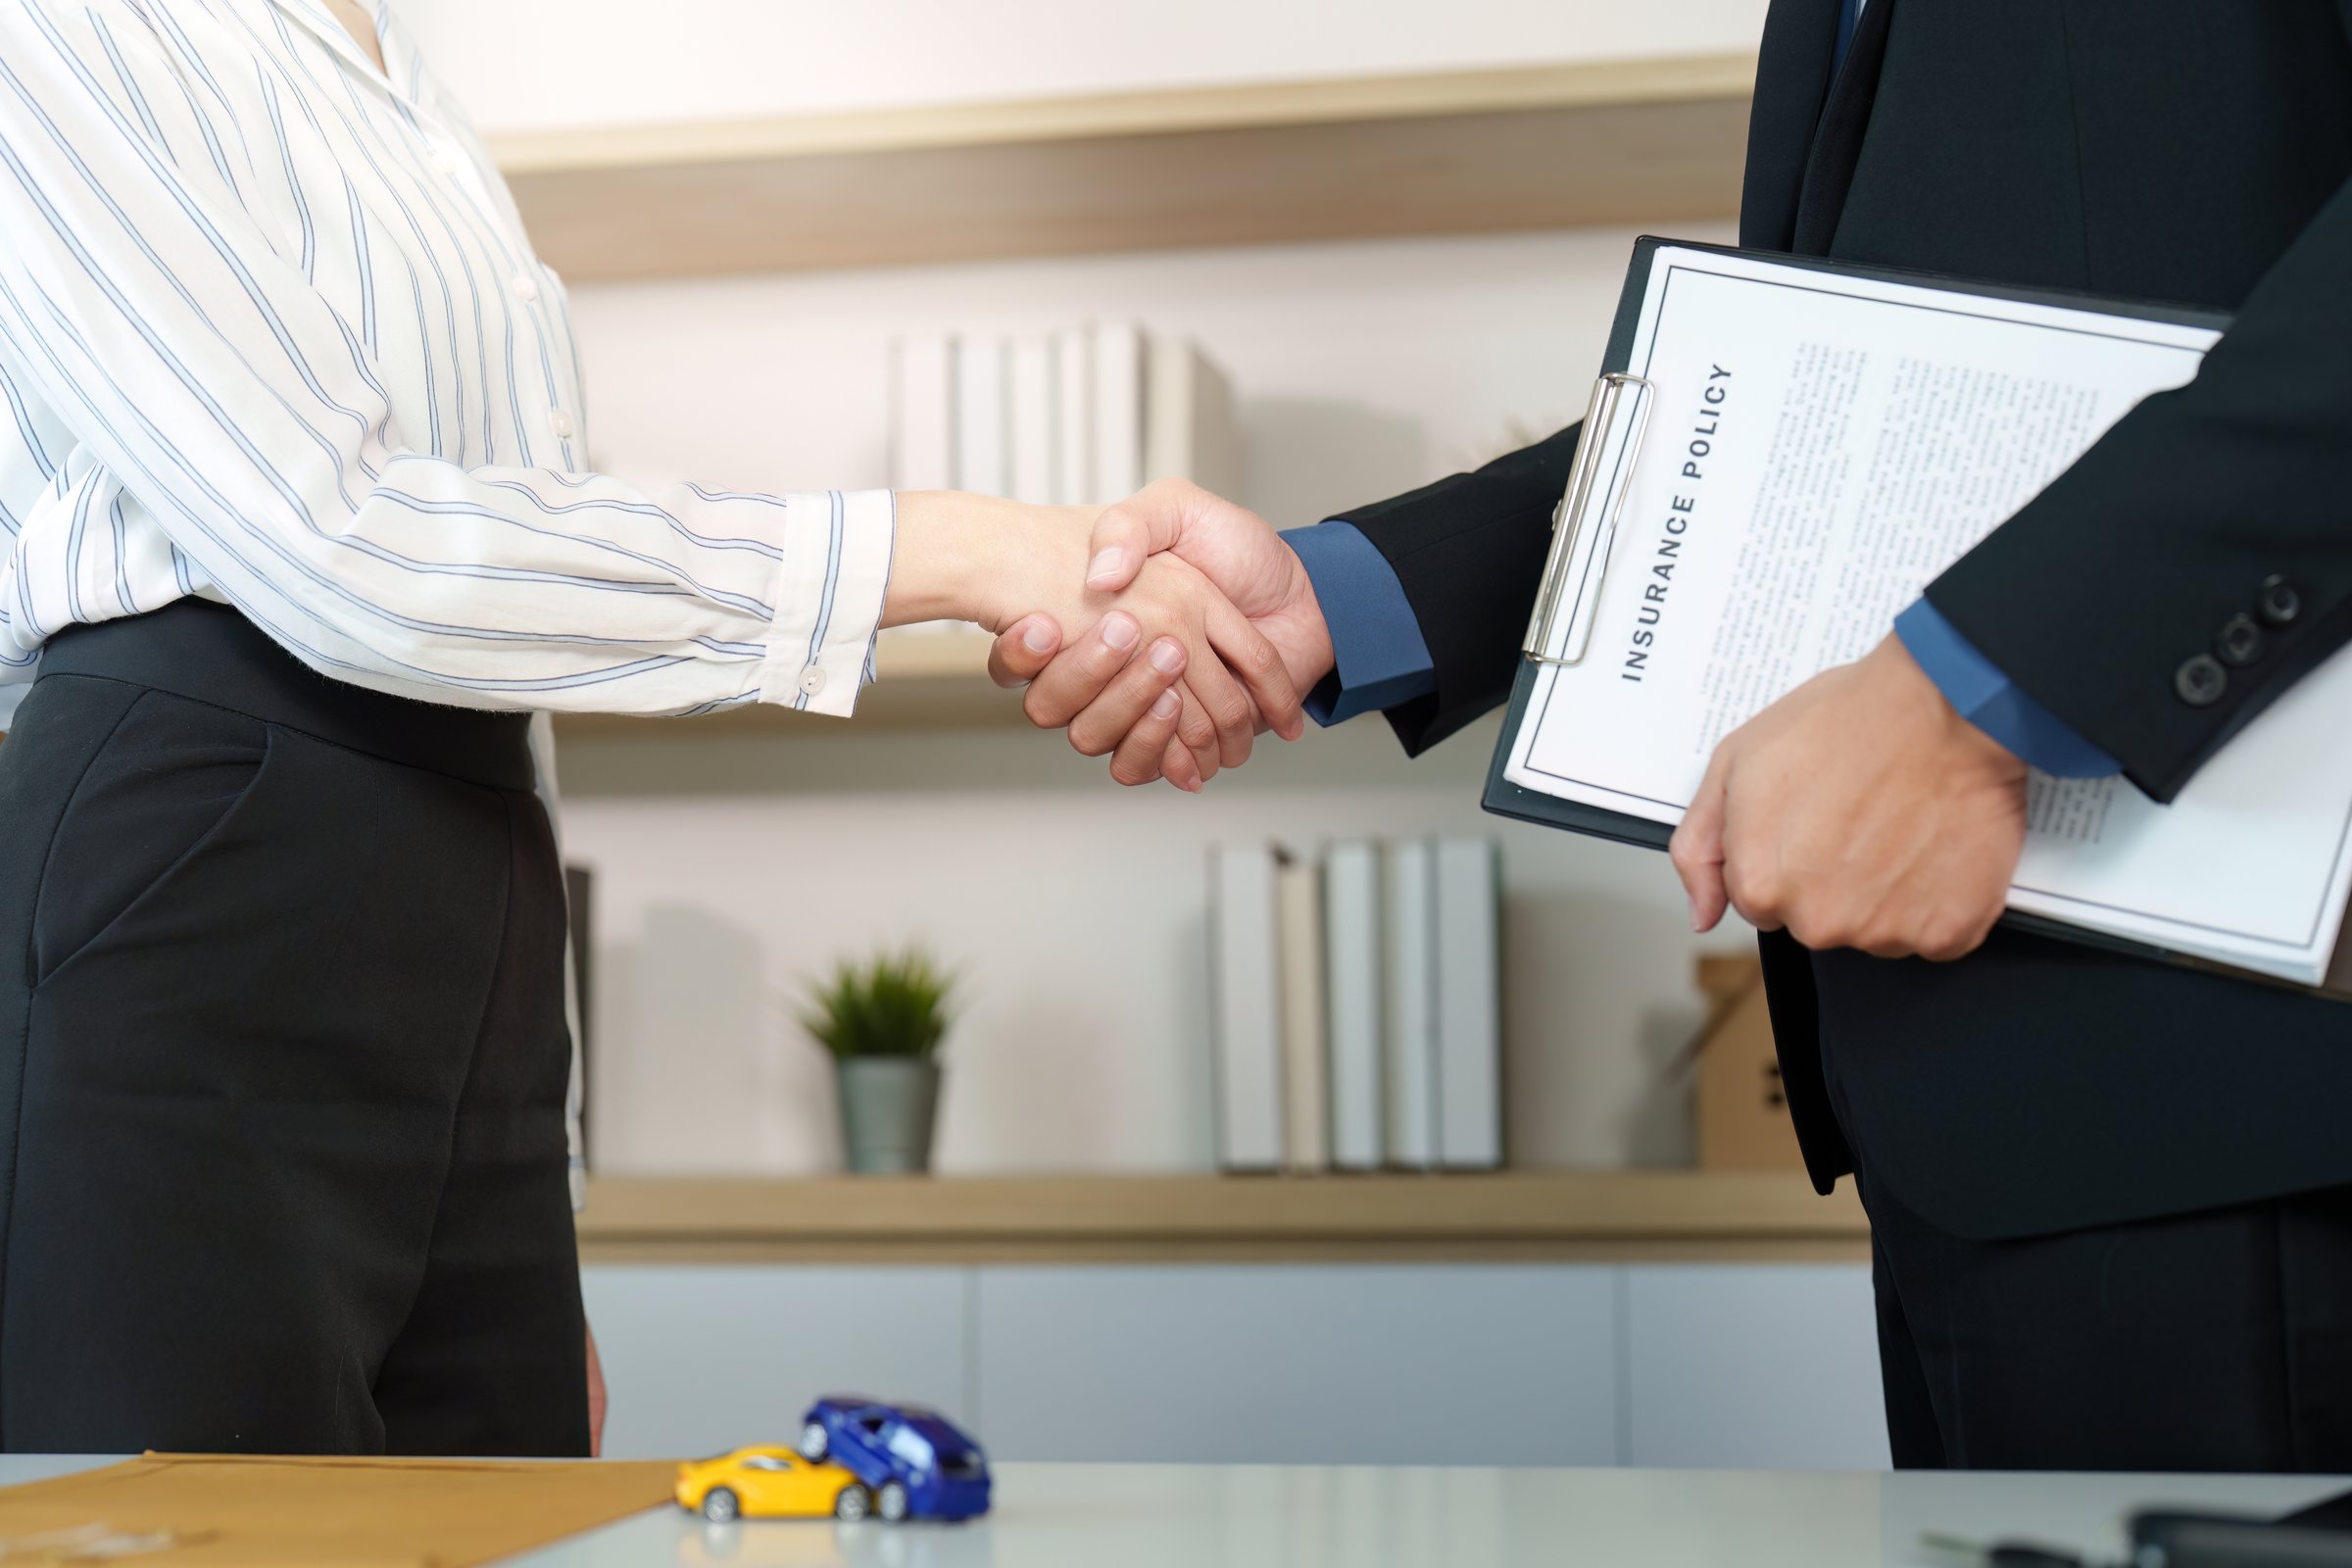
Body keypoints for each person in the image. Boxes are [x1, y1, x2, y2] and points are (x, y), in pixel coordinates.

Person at [998, 0, 2352, 1472]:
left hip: (2254, 1088)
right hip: (1994, 1126)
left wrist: (1974, 693)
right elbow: (1830, 407)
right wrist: (1339, 598)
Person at [0, 0, 1296, 1456]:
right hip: (197, 869)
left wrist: (535, 1197)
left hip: (467, 904)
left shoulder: (401, 72)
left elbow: (498, 659)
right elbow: (342, 545)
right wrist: (959, 550)